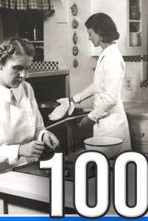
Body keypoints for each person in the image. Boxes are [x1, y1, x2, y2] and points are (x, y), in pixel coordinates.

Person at [0, 37, 59, 213]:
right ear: (0, 64)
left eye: (26, 69)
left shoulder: (27, 88)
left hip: (29, 172)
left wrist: (43, 135)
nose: (23, 75)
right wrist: (19, 150)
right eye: (17, 68)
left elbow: (37, 127)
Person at [54, 13, 131, 151]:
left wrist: (90, 118)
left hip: (112, 124)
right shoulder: (106, 53)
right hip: (104, 122)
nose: (89, 37)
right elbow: (97, 86)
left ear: (100, 33)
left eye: (90, 33)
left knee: (110, 165)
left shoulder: (112, 58)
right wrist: (73, 99)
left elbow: (111, 99)